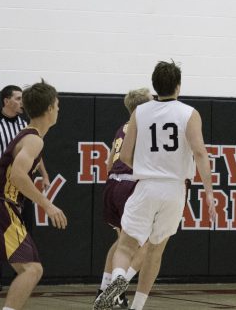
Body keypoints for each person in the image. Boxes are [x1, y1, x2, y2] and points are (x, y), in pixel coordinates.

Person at [94, 61, 215, 310]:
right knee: (155, 251)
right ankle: (137, 306)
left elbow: (124, 156)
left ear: (155, 85)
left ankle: (116, 282)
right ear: (178, 86)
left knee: (126, 246)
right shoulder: (189, 113)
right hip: (175, 190)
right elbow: (200, 154)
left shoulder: (139, 113)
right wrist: (209, 193)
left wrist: (147, 164)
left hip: (146, 186)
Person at [0, 80, 68, 310]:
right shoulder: (33, 139)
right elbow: (18, 176)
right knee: (33, 269)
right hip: (0, 208)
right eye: (58, 105)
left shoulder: (26, 134)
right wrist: (48, 205)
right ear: (50, 108)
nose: (59, 110)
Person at [96, 88, 153, 309]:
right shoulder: (145, 127)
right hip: (131, 184)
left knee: (122, 243)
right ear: (144, 106)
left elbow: (108, 164)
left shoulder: (123, 128)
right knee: (145, 247)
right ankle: (116, 291)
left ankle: (104, 290)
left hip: (112, 184)